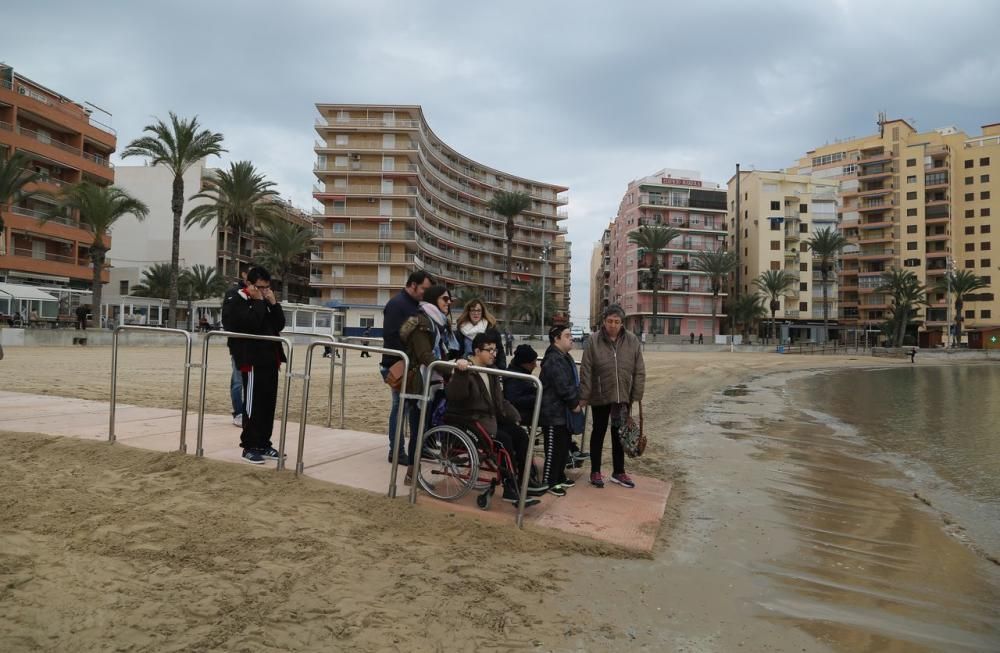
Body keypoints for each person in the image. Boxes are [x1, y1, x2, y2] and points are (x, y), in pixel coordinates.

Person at [446, 333, 545, 506]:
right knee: (504, 441)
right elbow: (455, 396)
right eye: (489, 350)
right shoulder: (466, 370)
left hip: (491, 418)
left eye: (495, 350)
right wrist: (460, 373)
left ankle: (524, 480)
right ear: (477, 351)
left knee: (521, 435)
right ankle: (509, 487)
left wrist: (515, 415)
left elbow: (500, 401)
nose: (494, 353)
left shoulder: (490, 371)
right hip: (472, 420)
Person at [222, 266, 287, 465]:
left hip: (270, 359)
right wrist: (258, 301)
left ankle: (264, 443)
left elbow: (279, 325)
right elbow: (251, 324)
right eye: (260, 287)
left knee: (268, 404)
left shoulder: (265, 299)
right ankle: (249, 446)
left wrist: (274, 304)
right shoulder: (236, 297)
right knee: (252, 406)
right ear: (249, 284)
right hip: (251, 361)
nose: (264, 291)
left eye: (267, 287)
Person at [399, 284, 459, 483]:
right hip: (420, 384)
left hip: (433, 383)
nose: (448, 303)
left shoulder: (438, 323)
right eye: (444, 299)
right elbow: (425, 355)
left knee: (426, 428)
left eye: (449, 299)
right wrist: (450, 368)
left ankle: (414, 472)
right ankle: (411, 474)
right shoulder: (422, 323)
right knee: (418, 429)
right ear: (434, 300)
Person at [580, 304, 645, 489]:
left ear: (622, 323)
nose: (613, 325)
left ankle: (619, 472)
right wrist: (584, 395)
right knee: (598, 432)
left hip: (622, 396)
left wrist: (637, 393)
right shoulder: (593, 341)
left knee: (619, 434)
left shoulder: (632, 340)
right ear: (604, 321)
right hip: (600, 395)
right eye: (610, 321)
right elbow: (586, 369)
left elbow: (639, 369)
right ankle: (595, 471)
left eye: (617, 322)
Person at [379, 270, 433, 465]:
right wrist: (410, 357)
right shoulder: (397, 304)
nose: (424, 293)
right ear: (413, 285)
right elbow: (391, 336)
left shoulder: (415, 305)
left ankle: (411, 447)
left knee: (409, 408)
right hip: (397, 365)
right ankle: (396, 451)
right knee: (400, 408)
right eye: (423, 289)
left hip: (408, 365)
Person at [538, 325, 583, 497]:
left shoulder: (563, 357)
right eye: (567, 335)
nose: (571, 338)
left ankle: (559, 476)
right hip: (552, 413)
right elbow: (563, 386)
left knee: (563, 446)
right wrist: (574, 403)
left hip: (561, 413)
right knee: (554, 449)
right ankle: (549, 481)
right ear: (556, 339)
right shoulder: (554, 360)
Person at [222, 270, 249, 427]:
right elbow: (227, 318)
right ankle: (238, 412)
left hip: (255, 345)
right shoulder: (233, 293)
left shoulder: (259, 293)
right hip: (238, 345)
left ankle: (249, 412)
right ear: (243, 274)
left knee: (251, 381)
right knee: (238, 380)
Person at [455, 298, 507, 370]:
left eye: (478, 310)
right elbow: (456, 351)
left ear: (482, 312)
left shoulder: (491, 328)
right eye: (473, 310)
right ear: (468, 312)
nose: (476, 313)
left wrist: (501, 368)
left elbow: (499, 350)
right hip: (467, 366)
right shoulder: (461, 329)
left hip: (488, 367)